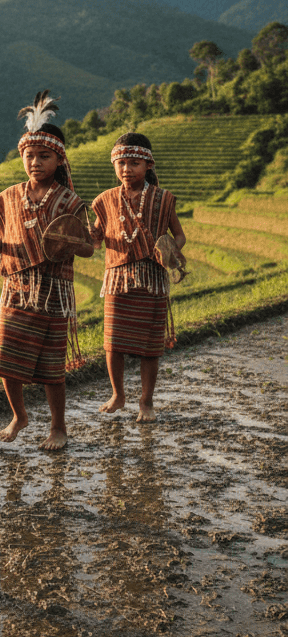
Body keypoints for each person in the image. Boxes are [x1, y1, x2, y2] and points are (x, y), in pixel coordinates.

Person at [0, 92, 93, 450]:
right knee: (6, 363)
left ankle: (58, 426)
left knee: (51, 368)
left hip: (53, 292)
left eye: (44, 156)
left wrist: (66, 243)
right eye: (29, 155)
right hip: (16, 289)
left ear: (60, 160)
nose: (35, 162)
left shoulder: (70, 202)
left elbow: (88, 247)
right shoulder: (9, 197)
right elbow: (3, 239)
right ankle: (19, 415)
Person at [90, 132, 186, 423]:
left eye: (134, 163)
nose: (126, 169)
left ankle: (146, 401)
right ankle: (118, 395)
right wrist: (93, 235)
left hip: (152, 279)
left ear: (149, 165)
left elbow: (179, 235)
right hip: (117, 279)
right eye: (121, 163)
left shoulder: (164, 199)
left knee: (149, 346)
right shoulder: (105, 200)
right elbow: (96, 241)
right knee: (112, 342)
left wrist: (171, 249)